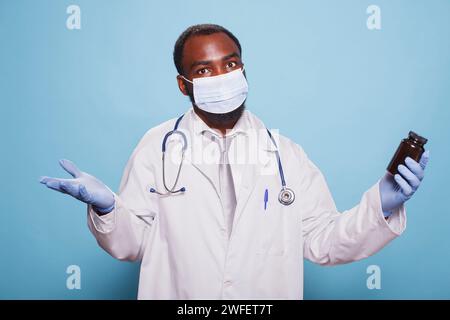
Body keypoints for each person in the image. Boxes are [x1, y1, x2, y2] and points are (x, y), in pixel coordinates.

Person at [40, 24, 429, 299]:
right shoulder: (157, 147)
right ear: (183, 84)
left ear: (244, 69)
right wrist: (108, 208)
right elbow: (135, 245)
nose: (222, 76)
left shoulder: (285, 155)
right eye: (204, 70)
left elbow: (323, 242)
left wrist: (382, 204)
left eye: (230, 64)